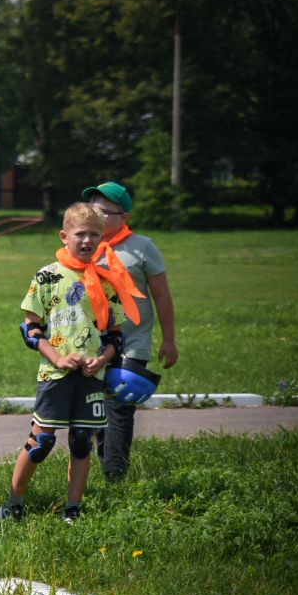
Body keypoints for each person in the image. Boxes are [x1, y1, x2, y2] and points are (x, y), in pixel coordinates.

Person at [0, 204, 127, 523]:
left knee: (82, 439)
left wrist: (102, 360)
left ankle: (73, 509)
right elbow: (30, 330)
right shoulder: (47, 276)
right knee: (41, 441)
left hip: (92, 376)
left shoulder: (107, 281)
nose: (87, 241)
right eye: (80, 234)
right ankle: (14, 502)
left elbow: (116, 337)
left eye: (94, 235)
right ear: (64, 236)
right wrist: (58, 357)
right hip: (54, 374)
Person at [84, 181, 177, 481]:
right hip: (90, 343)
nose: (94, 216)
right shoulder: (83, 244)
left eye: (102, 211)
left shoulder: (142, 247)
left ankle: (115, 476)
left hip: (131, 343)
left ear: (123, 217)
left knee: (120, 406)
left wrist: (169, 339)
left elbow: (162, 295)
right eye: (92, 209)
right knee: (95, 408)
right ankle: (103, 464)